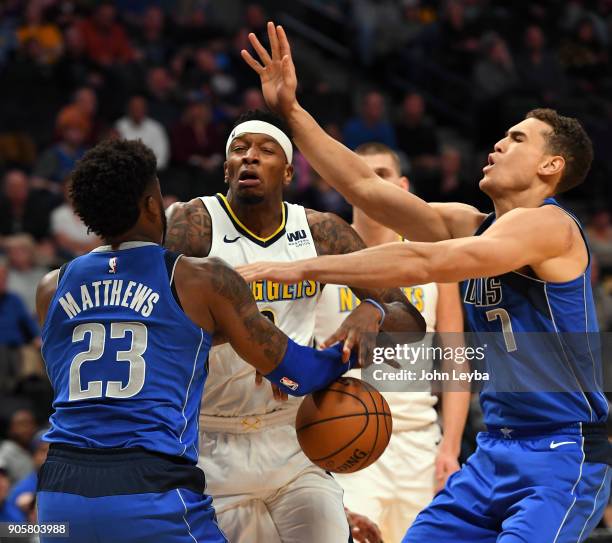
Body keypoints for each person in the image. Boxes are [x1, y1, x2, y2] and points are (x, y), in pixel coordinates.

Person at [238, 23, 612, 542]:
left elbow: (421, 261)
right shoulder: (472, 221)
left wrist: (303, 266)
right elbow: (366, 187)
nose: (500, 144)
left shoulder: (551, 226)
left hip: (560, 452)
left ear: (551, 165)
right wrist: (292, 112)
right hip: (493, 453)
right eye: (503, 135)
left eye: (517, 139)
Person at [34, 138, 361, 543]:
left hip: (58, 494)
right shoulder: (194, 278)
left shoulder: (51, 288)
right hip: (150, 488)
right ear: (154, 205)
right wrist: (347, 349)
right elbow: (300, 374)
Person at [165, 109, 424, 543]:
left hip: (294, 435)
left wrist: (373, 312)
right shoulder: (194, 223)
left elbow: (411, 321)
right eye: (239, 150)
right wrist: (262, 348)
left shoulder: (322, 232)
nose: (250, 157)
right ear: (226, 166)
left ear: (287, 171)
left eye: (265, 150)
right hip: (211, 437)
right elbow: (162, 329)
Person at [314, 142, 469, 542]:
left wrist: (449, 447)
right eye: (359, 175)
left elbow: (455, 359)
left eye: (380, 174)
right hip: (346, 440)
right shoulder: (321, 261)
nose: (369, 183)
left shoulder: (432, 258)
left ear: (402, 186)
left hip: (421, 443)